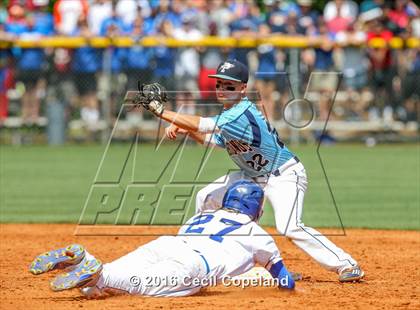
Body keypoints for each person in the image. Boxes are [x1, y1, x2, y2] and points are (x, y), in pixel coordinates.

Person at [138, 59, 365, 283]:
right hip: (251, 177)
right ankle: (199, 252)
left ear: (243, 89)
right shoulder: (229, 115)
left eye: (230, 86)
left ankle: (346, 264)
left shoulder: (240, 113)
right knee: (205, 197)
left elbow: (203, 125)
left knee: (289, 226)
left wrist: (162, 112)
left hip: (283, 175)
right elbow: (209, 139)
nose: (223, 90)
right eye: (219, 85)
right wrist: (185, 128)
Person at [29, 180, 296, 297]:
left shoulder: (201, 217)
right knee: (141, 288)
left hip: (166, 244)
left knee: (110, 281)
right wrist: (290, 284)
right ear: (256, 209)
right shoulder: (258, 233)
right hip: (194, 266)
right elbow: (285, 281)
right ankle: (96, 275)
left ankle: (84, 264)